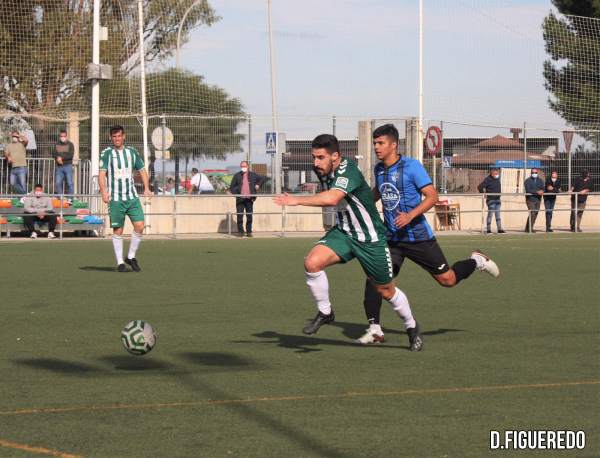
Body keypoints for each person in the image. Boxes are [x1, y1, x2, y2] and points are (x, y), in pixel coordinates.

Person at [273, 134, 424, 351]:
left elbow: (332, 198)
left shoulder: (347, 170)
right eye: (314, 157)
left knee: (386, 291)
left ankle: (412, 327)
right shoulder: (323, 170)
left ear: (335, 156)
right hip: (344, 233)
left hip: (370, 238)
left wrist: (296, 200)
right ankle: (325, 312)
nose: (315, 163)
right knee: (312, 262)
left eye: (320, 157)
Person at [358, 124, 499, 345]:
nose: (376, 147)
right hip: (392, 239)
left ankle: (476, 261)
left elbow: (432, 196)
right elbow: (378, 192)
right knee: (375, 279)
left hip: (418, 237)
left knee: (448, 280)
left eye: (380, 143)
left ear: (393, 145)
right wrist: (361, 203)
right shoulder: (379, 169)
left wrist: (409, 216)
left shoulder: (412, 166)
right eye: (374, 143)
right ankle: (375, 329)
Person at [99, 125, 151, 272]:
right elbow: (102, 174)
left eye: (119, 136)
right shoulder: (107, 153)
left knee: (140, 225)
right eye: (114, 136)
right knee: (118, 230)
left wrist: (147, 188)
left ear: (124, 136)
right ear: (110, 138)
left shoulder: (132, 152)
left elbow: (142, 170)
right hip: (115, 198)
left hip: (132, 197)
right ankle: (120, 262)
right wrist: (104, 192)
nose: (117, 139)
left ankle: (131, 256)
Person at [230, 161, 264, 237]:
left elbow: (262, 178)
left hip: (249, 199)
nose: (243, 168)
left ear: (248, 166)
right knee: (239, 215)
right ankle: (241, 232)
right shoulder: (237, 175)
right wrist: (237, 193)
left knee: (249, 215)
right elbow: (232, 187)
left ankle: (249, 232)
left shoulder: (253, 175)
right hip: (240, 199)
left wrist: (258, 185)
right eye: (242, 166)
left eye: (244, 166)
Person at [477, 167, 505, 234]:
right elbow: (479, 187)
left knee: (498, 215)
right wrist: (483, 193)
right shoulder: (487, 179)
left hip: (497, 200)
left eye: (497, 173)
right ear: (492, 173)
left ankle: (499, 229)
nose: (497, 174)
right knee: (490, 215)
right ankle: (488, 229)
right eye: (495, 173)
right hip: (491, 200)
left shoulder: (497, 179)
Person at [4, 130, 28, 194]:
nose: (14, 137)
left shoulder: (22, 144)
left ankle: (23, 198)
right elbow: (6, 154)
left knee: (22, 184)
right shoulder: (9, 145)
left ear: (17, 137)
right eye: (13, 136)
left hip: (22, 167)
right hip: (13, 168)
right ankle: (24, 195)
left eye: (15, 136)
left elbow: (26, 140)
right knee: (12, 183)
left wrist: (18, 135)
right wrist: (8, 157)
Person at [53, 129, 75, 196]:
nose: (62, 137)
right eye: (61, 136)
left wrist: (61, 158)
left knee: (70, 183)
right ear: (59, 137)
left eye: (64, 136)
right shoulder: (56, 144)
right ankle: (60, 198)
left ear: (66, 136)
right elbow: (54, 154)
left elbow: (70, 155)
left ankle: (70, 199)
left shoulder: (70, 144)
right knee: (58, 183)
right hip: (59, 167)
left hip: (68, 166)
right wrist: (57, 158)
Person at [524, 168, 544, 232]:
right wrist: (537, 192)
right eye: (533, 173)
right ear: (531, 173)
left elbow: (543, 188)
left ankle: (528, 228)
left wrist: (542, 191)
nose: (534, 174)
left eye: (535, 173)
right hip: (530, 199)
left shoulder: (540, 180)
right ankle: (530, 228)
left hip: (538, 199)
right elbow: (528, 190)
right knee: (532, 213)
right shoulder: (527, 181)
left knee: (535, 214)